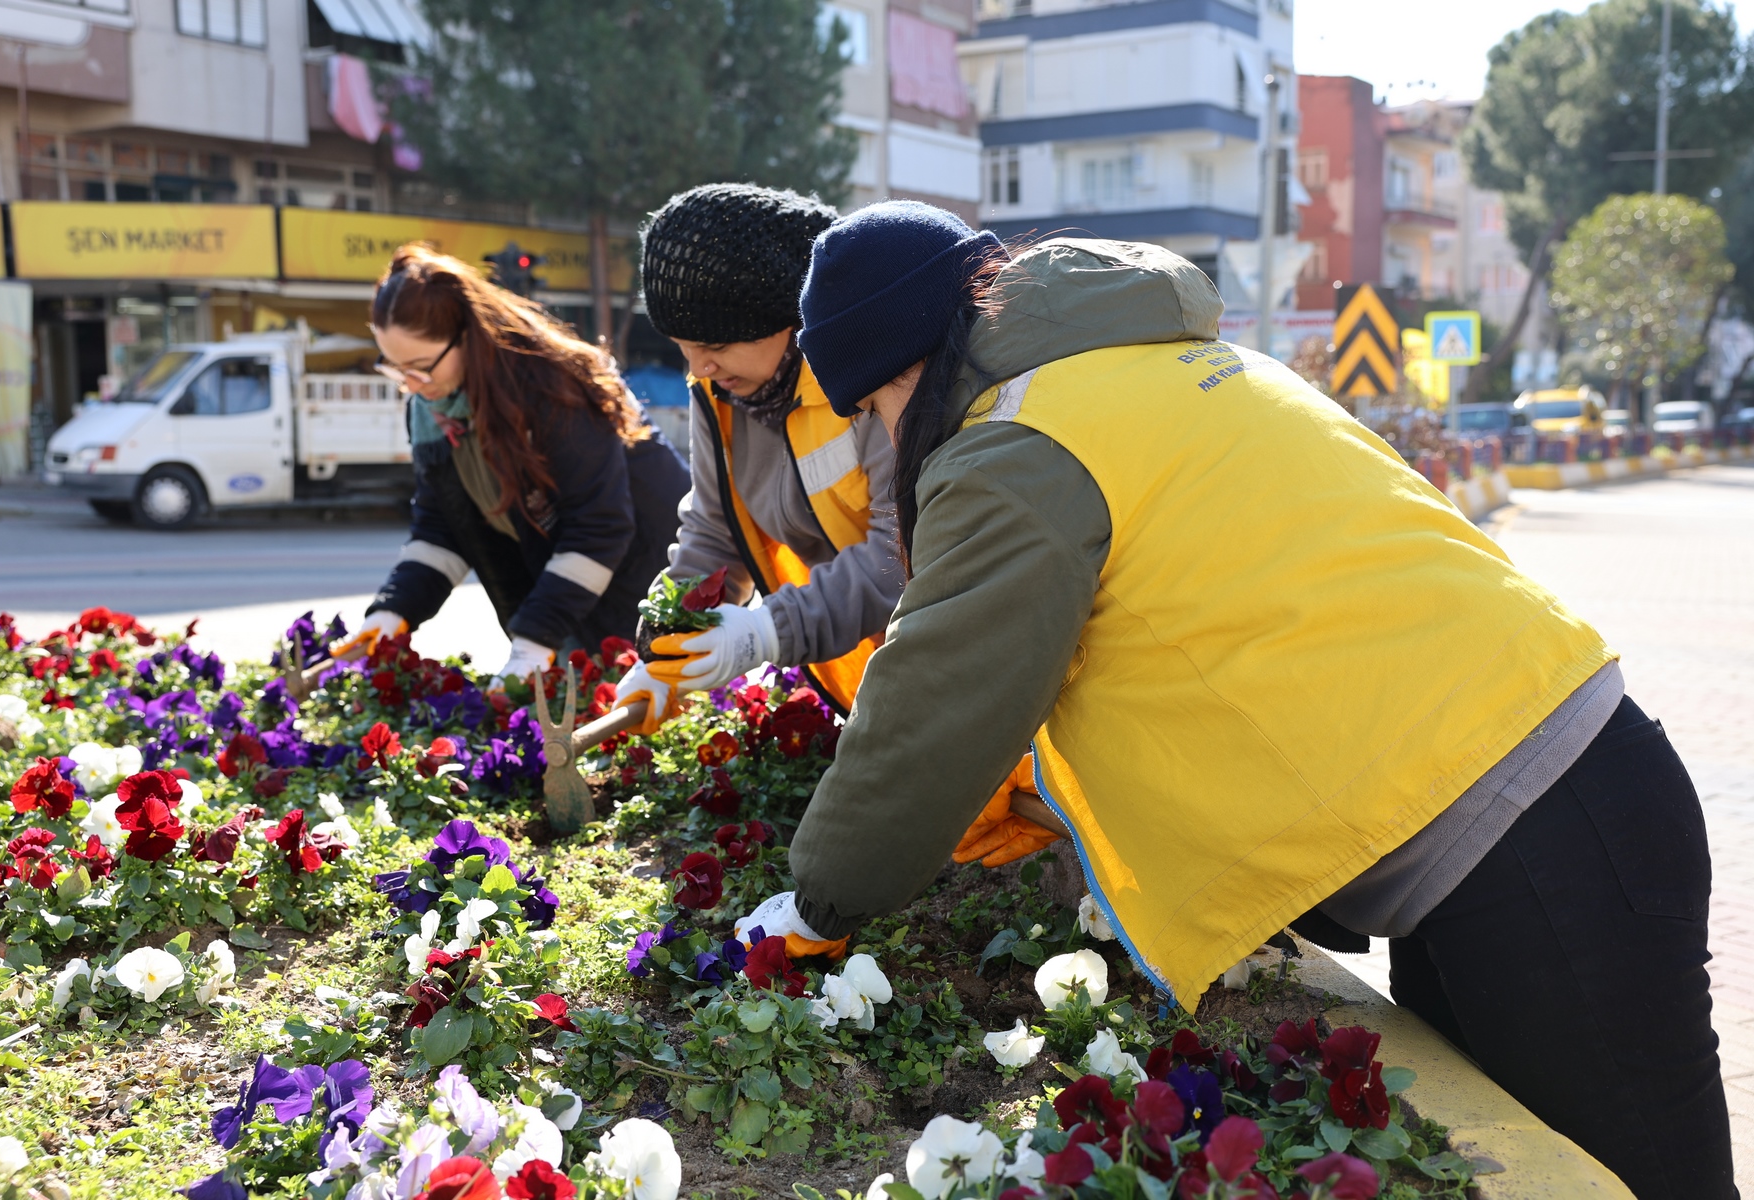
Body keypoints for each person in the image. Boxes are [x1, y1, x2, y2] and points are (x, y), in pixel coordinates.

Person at [738, 202, 1729, 1200]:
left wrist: (821, 901)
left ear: (901, 366)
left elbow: (933, 697)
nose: (878, 433)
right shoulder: (1152, 362)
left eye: (869, 409)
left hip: (1528, 835)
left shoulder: (1014, 442)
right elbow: (1203, 623)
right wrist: (1054, 790)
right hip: (1546, 800)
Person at [611, 184, 904, 732]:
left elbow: (906, 556)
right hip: (870, 668)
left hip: (942, 645)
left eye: (715, 347)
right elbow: (717, 529)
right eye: (683, 345)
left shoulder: (874, 378)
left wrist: (765, 632)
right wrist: (666, 645)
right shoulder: (720, 393)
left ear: (785, 317)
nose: (698, 369)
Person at [339, 244, 690, 688]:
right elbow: (441, 525)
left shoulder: (549, 385)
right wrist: (392, 612)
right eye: (395, 368)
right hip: (573, 583)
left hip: (653, 567)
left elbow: (599, 526)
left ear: (467, 336)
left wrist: (533, 639)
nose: (410, 385)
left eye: (421, 367)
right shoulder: (431, 406)